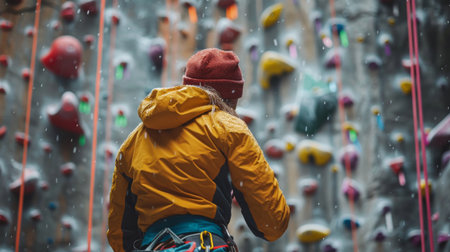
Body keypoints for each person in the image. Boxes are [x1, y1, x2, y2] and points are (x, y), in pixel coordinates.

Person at [107, 48, 290, 252]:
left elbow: (119, 235)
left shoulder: (134, 141)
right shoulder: (229, 129)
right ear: (230, 97)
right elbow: (272, 223)